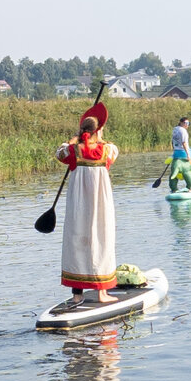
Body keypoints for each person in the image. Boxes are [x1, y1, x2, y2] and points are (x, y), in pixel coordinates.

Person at [56, 104, 118, 304]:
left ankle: (77, 296)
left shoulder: (73, 150)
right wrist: (99, 138)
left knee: (77, 241)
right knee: (101, 240)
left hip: (78, 207)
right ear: (97, 132)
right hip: (100, 206)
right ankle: (102, 293)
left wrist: (73, 139)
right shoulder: (106, 150)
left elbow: (60, 153)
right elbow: (114, 151)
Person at [169, 117, 191, 194]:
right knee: (188, 172)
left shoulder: (175, 129)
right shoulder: (183, 131)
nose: (187, 125)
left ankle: (173, 189)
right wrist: (188, 155)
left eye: (188, 123)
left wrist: (174, 151)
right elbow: (184, 143)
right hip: (183, 155)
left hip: (176, 155)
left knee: (173, 173)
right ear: (181, 123)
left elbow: (172, 141)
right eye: (186, 123)